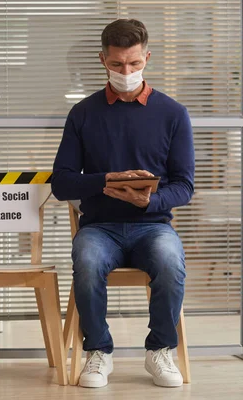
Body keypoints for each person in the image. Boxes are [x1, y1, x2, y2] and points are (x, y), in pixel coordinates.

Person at [52, 20, 194, 388]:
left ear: (146, 57)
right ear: (103, 60)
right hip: (99, 227)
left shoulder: (173, 114)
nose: (126, 72)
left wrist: (150, 201)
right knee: (86, 262)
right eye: (117, 65)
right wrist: (106, 181)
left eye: (134, 64)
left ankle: (159, 350)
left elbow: (185, 185)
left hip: (154, 225)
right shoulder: (83, 113)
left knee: (169, 261)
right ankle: (98, 351)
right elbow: (62, 182)